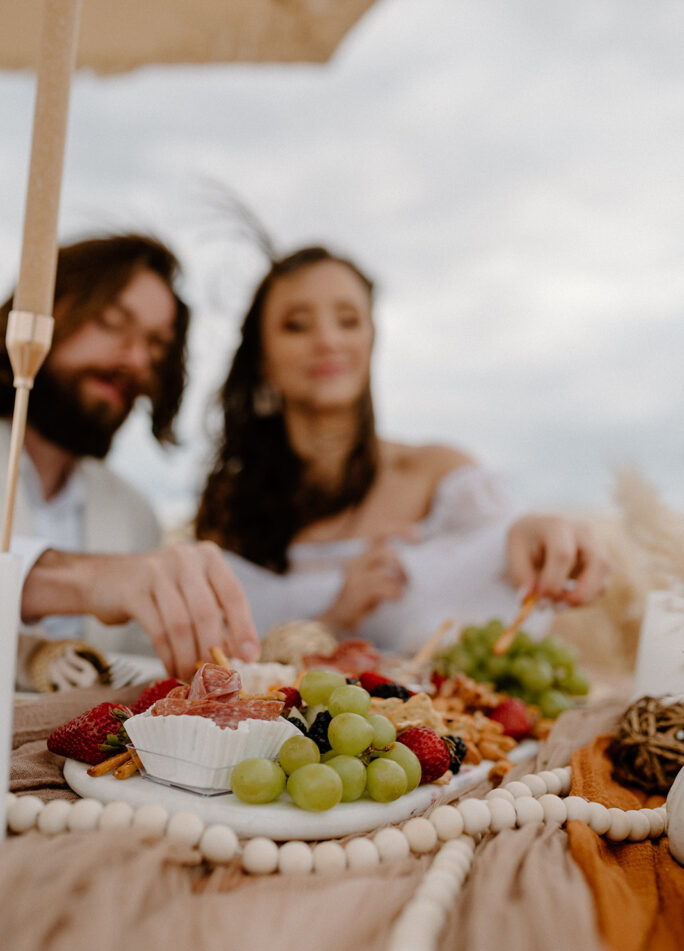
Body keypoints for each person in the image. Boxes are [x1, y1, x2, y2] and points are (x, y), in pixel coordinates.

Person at [196, 245, 611, 655]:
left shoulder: (436, 472)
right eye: (297, 325)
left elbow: (505, 539)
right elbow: (213, 658)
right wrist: (333, 617)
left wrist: (544, 533)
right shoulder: (229, 504)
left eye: (348, 320)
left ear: (371, 339)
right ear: (262, 360)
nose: (327, 340)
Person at [1, 233, 258, 681]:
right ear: (42, 311)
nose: (136, 359)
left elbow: (143, 665)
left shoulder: (134, 513)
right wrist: (85, 580)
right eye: (112, 321)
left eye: (156, 345)